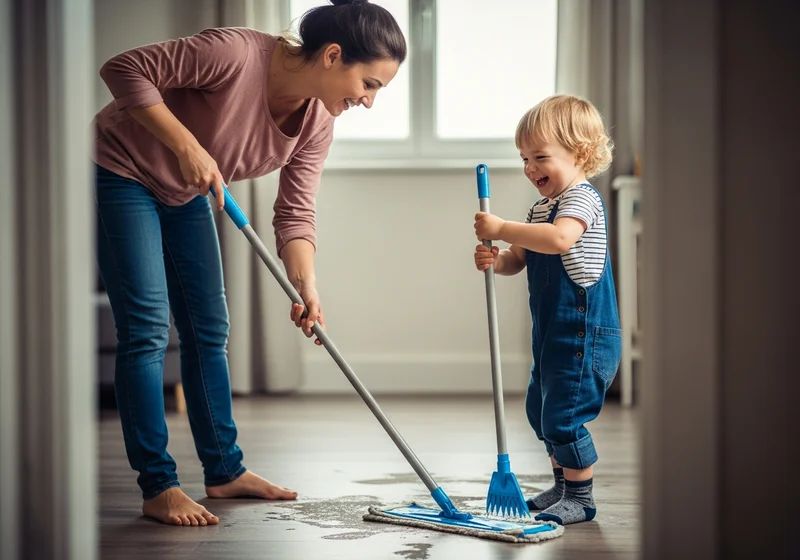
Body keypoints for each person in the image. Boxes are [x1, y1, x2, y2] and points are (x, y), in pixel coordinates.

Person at [93, 0, 406, 527]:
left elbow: (296, 214)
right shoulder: (234, 54)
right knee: (148, 327)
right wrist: (187, 145)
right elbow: (122, 68)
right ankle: (158, 485)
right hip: (123, 171)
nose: (368, 101)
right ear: (333, 55)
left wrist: (305, 285)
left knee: (209, 326)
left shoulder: (316, 125)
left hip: (185, 192)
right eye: (369, 84)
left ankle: (224, 470)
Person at [473, 94, 621, 525]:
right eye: (524, 158)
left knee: (563, 415)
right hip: (554, 336)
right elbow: (518, 258)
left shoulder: (581, 200)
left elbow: (558, 241)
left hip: (584, 335)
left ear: (581, 153)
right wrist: (496, 259)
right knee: (539, 409)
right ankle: (562, 485)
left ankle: (581, 495)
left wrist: (500, 226)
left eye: (540, 156)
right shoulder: (540, 208)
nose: (530, 167)